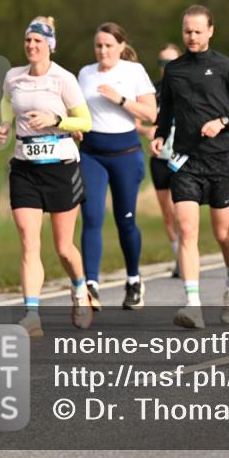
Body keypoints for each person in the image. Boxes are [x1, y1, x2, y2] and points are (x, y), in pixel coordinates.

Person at [150, 5, 229, 329]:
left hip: (220, 159)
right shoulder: (174, 70)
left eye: (198, 31)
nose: (192, 37)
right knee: (187, 231)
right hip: (184, 160)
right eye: (187, 31)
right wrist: (158, 134)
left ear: (211, 31)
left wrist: (223, 122)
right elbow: (166, 109)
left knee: (223, 233)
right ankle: (193, 303)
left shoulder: (224, 67)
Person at [0, 16, 95, 337]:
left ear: (49, 45)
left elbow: (86, 122)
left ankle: (80, 290)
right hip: (24, 168)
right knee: (28, 242)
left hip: (61, 167)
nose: (31, 46)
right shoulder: (13, 77)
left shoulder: (63, 79)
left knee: (63, 247)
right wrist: (5, 125)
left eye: (38, 41)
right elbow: (8, 103)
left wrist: (55, 118)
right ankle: (32, 315)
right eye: (28, 40)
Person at [77, 23, 157, 310]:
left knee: (125, 220)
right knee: (92, 216)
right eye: (99, 45)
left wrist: (120, 99)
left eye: (109, 45)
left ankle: (134, 280)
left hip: (125, 153)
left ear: (121, 46)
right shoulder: (85, 73)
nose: (103, 51)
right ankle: (91, 286)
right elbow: (76, 111)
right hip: (91, 155)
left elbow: (151, 113)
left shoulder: (133, 72)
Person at [139, 43, 182, 277]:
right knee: (167, 212)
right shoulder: (152, 92)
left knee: (181, 210)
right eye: (162, 63)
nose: (167, 68)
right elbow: (135, 119)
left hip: (182, 156)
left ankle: (187, 256)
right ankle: (178, 257)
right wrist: (145, 131)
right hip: (159, 158)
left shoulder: (188, 88)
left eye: (171, 62)